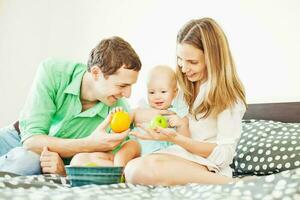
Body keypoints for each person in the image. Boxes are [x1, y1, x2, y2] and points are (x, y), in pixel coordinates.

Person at [124, 17, 247, 185]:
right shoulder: (183, 90)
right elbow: (160, 112)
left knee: (138, 170)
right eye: (180, 59)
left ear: (213, 59)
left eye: (192, 62)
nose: (183, 68)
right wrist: (140, 119)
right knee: (132, 168)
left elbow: (224, 155)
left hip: (206, 165)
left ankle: (228, 183)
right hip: (181, 156)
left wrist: (176, 138)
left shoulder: (228, 97)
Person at [0, 36, 142, 176]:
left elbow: (128, 149)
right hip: (15, 137)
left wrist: (64, 171)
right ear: (96, 73)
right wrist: (90, 144)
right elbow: (31, 141)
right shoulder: (54, 72)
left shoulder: (118, 110)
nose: (128, 94)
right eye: (122, 85)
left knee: (27, 162)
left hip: (39, 159)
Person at [70, 65, 189, 166]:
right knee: (130, 144)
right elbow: (126, 120)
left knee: (171, 157)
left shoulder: (177, 113)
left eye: (163, 92)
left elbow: (186, 143)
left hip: (161, 156)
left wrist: (181, 124)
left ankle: (119, 170)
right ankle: (118, 169)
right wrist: (119, 115)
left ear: (175, 92)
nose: (157, 96)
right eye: (151, 92)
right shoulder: (142, 109)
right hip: (136, 153)